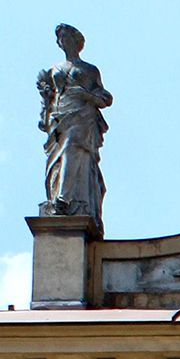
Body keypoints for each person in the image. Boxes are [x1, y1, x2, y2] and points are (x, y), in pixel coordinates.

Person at [37, 24, 111, 222]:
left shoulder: (89, 69)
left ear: (77, 41)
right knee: (56, 163)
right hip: (59, 119)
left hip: (82, 117)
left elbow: (106, 99)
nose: (63, 40)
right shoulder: (54, 70)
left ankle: (65, 199)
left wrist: (86, 95)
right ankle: (57, 198)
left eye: (67, 36)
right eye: (60, 38)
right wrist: (45, 98)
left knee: (72, 149)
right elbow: (50, 101)